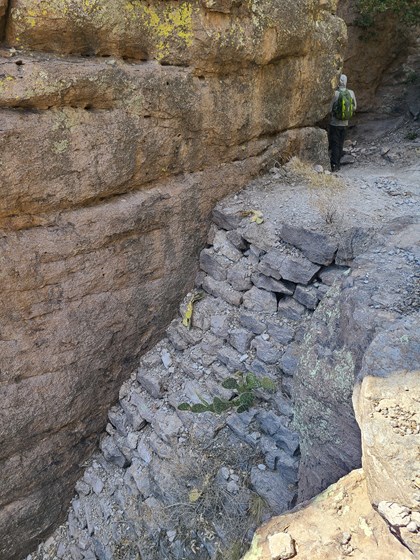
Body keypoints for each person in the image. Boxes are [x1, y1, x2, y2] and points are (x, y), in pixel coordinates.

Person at [329, 74, 357, 172]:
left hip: (335, 123)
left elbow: (329, 109)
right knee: (340, 143)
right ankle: (339, 163)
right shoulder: (351, 93)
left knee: (335, 144)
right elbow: (354, 107)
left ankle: (334, 165)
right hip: (345, 123)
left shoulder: (335, 94)